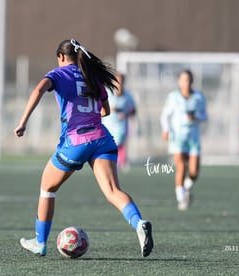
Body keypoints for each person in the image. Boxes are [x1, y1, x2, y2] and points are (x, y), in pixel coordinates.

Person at [14, 39, 153, 257]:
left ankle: (40, 242)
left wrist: (23, 121)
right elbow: (105, 111)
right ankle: (139, 223)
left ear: (61, 57)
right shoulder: (92, 76)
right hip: (102, 139)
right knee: (113, 191)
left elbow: (39, 89)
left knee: (47, 188)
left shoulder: (59, 74)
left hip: (76, 142)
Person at [160, 70, 208, 211]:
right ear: (179, 82)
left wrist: (196, 118)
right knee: (181, 167)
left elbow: (205, 116)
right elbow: (165, 115)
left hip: (193, 138)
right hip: (177, 137)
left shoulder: (198, 97)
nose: (186, 82)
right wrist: (166, 129)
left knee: (194, 172)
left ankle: (187, 187)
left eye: (189, 79)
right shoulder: (173, 97)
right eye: (184, 79)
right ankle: (181, 198)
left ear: (192, 81)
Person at [102, 73, 136, 171]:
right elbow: (100, 106)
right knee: (109, 146)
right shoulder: (107, 93)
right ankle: (114, 163)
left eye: (121, 81)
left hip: (121, 126)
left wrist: (125, 114)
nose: (119, 83)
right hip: (108, 125)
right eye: (117, 80)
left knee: (117, 144)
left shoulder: (128, 96)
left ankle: (118, 163)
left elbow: (133, 110)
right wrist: (109, 110)